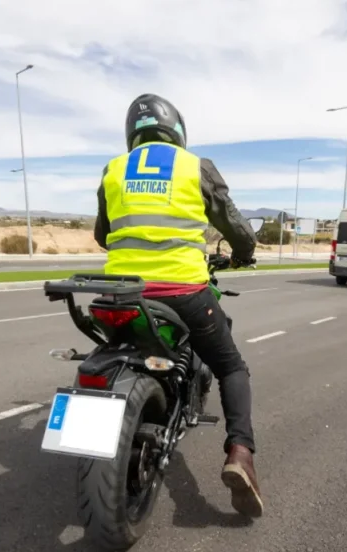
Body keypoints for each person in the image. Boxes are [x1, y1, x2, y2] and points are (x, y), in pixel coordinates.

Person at [93, 93, 263, 518]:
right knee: (230, 366)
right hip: (182, 291)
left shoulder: (113, 169)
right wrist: (243, 252)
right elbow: (236, 226)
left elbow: (103, 233)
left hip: (121, 291)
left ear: (132, 131)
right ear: (178, 130)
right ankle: (240, 453)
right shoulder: (196, 167)